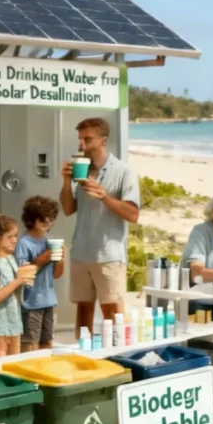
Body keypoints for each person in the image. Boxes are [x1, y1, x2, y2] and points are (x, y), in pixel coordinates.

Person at [59, 118, 140, 338]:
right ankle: (82, 353)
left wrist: (105, 197)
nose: (81, 144)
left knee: (113, 312)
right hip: (81, 252)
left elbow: (133, 214)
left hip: (109, 255)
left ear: (103, 140)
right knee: (83, 311)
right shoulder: (81, 170)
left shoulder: (124, 172)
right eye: (80, 139)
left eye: (87, 139)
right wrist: (66, 182)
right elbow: (68, 209)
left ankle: (117, 353)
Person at [0, 215, 37, 360]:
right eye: (9, 236)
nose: (15, 240)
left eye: (15, 236)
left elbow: (14, 291)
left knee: (12, 368)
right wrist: (17, 281)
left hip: (14, 326)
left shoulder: (11, 259)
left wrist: (23, 275)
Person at [14, 196, 66, 352]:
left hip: (49, 301)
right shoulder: (24, 243)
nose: (48, 221)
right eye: (43, 218)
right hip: (30, 302)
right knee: (30, 345)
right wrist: (41, 260)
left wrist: (61, 260)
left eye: (51, 218)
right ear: (31, 219)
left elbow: (57, 275)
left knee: (47, 343)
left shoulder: (49, 242)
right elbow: (21, 275)